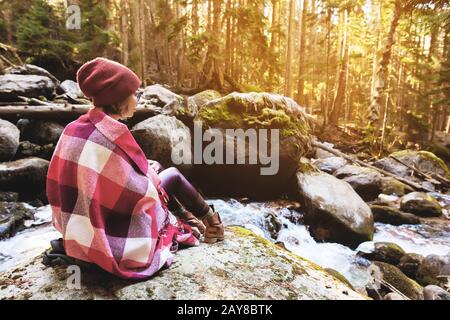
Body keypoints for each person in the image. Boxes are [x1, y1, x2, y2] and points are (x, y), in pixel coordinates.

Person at [46, 57, 224, 279]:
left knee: (155, 167)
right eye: (136, 94)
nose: (138, 100)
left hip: (79, 226)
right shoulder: (112, 134)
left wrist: (148, 169)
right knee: (173, 176)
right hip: (111, 230)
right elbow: (139, 192)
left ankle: (188, 219)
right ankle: (213, 225)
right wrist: (151, 175)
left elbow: (62, 181)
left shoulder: (76, 127)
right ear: (118, 98)